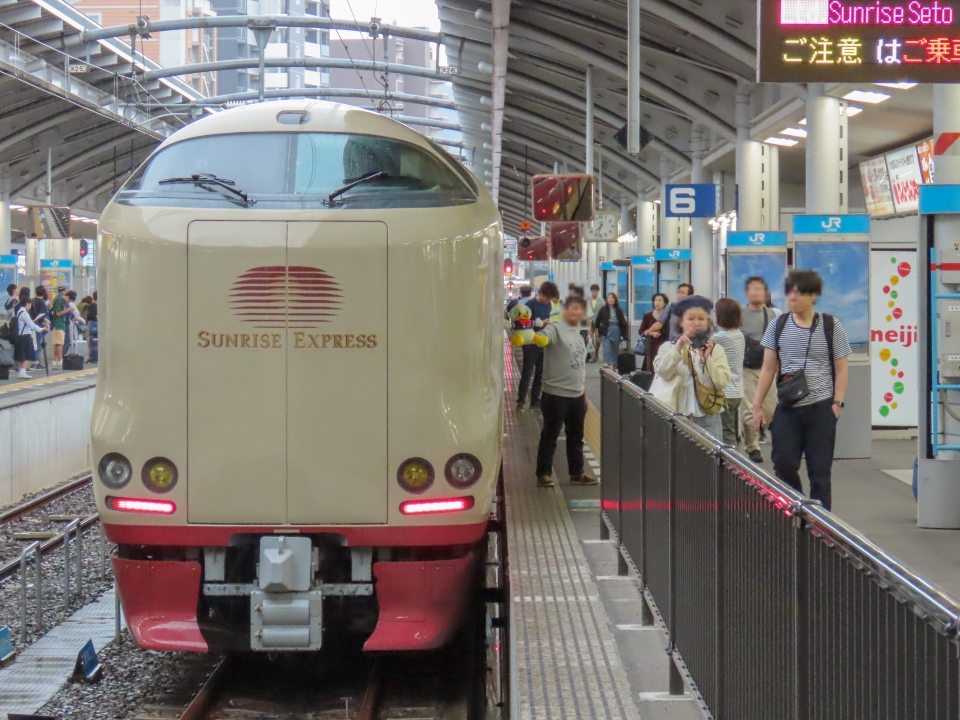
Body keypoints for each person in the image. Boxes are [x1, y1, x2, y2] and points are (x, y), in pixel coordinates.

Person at [752, 270, 851, 511]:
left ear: (813, 295)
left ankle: (822, 524)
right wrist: (757, 406)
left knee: (820, 472)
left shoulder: (831, 325)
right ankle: (797, 508)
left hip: (821, 408)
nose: (792, 298)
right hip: (788, 407)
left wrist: (837, 404)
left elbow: (841, 368)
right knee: (783, 464)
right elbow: (767, 369)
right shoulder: (778, 324)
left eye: (798, 293)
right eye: (789, 293)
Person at [533, 296, 596, 487]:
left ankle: (577, 472)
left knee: (576, 437)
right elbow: (544, 337)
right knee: (550, 436)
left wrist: (583, 395)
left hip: (576, 395)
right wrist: (540, 338)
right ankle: (543, 474)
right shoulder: (555, 328)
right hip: (555, 394)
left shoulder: (578, 335)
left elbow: (579, 368)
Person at [651, 296, 731, 438]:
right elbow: (663, 372)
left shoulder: (715, 350)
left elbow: (721, 382)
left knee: (708, 460)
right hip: (676, 415)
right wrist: (678, 347)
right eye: (691, 318)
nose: (696, 323)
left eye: (701, 319)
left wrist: (707, 361)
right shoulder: (668, 347)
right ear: (681, 322)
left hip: (708, 416)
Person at [740, 277, 780, 463]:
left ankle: (760, 430)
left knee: (770, 407)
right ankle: (752, 446)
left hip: (769, 367)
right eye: (753, 289)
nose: (756, 292)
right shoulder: (739, 314)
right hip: (746, 367)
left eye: (760, 289)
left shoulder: (773, 314)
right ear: (747, 293)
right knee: (748, 407)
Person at [517, 281, 560, 411]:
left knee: (540, 373)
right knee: (527, 371)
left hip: (543, 342)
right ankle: (520, 400)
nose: (548, 301)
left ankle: (535, 401)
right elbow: (524, 323)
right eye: (547, 298)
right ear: (541, 293)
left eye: (550, 300)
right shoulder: (530, 304)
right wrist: (540, 323)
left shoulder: (548, 306)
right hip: (530, 343)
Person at [712, 298, 746, 446]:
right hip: (737, 390)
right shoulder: (739, 335)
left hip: (725, 391)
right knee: (732, 430)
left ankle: (733, 466)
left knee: (726, 434)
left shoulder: (719, 338)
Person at [13, 287, 48, 379]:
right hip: (25, 336)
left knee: (21, 355)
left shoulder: (19, 311)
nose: (31, 306)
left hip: (20, 336)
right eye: (30, 304)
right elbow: (32, 325)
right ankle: (23, 371)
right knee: (28, 355)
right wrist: (41, 329)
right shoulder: (24, 312)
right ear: (27, 304)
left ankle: (21, 371)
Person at [595, 292, 629, 369]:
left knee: (614, 349)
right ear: (607, 300)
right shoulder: (603, 309)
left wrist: (625, 335)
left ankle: (614, 364)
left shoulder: (618, 310)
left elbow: (623, 322)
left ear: (615, 300)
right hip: (605, 330)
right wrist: (597, 330)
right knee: (606, 348)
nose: (610, 300)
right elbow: (597, 320)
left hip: (616, 330)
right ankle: (606, 363)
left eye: (612, 298)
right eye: (609, 298)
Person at [638, 292, 669, 373]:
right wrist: (651, 333)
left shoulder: (669, 317)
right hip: (651, 346)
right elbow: (641, 331)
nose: (657, 303)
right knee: (650, 369)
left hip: (665, 346)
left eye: (660, 300)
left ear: (665, 303)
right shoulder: (647, 316)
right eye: (655, 300)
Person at [50, 285, 73, 369]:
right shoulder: (60, 300)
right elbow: (58, 313)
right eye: (69, 300)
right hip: (59, 323)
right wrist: (69, 310)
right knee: (60, 343)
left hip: (59, 323)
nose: (69, 302)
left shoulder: (57, 299)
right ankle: (60, 359)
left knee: (57, 343)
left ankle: (56, 360)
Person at [586, 284, 604, 363]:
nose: (594, 293)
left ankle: (596, 353)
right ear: (591, 292)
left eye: (596, 292)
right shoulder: (587, 300)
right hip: (589, 321)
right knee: (590, 339)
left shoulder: (601, 301)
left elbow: (604, 312)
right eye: (593, 291)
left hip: (598, 322)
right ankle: (592, 356)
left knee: (598, 340)